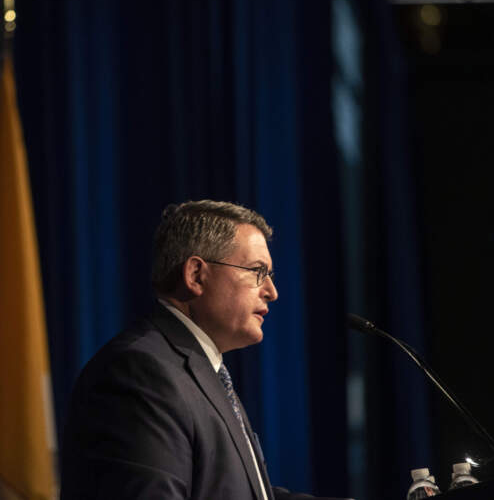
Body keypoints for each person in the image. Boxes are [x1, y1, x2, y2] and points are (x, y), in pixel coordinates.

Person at [61, 200, 350, 500]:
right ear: (196, 275)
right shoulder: (140, 374)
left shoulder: (200, 370)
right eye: (257, 271)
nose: (272, 292)